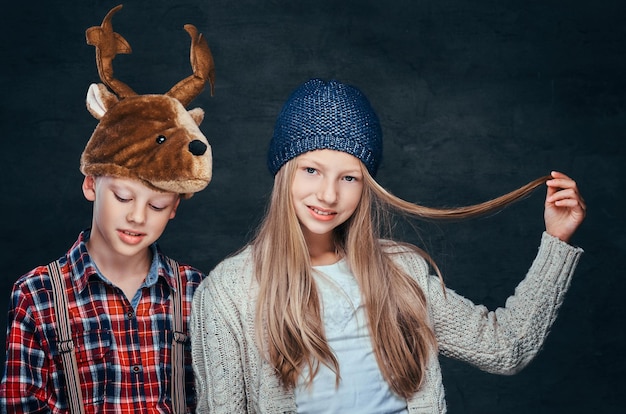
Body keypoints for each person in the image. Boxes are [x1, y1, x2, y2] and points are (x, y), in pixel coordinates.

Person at [190, 78, 586, 413]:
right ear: (283, 172)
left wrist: (556, 241)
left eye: (349, 178)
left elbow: (506, 348)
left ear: (367, 187)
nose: (327, 195)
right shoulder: (228, 291)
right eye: (311, 170)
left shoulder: (401, 272)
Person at [0, 5, 215, 413]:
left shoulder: (195, 293)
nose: (137, 217)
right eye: (122, 197)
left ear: (175, 207)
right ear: (90, 184)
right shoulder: (38, 296)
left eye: (157, 204)